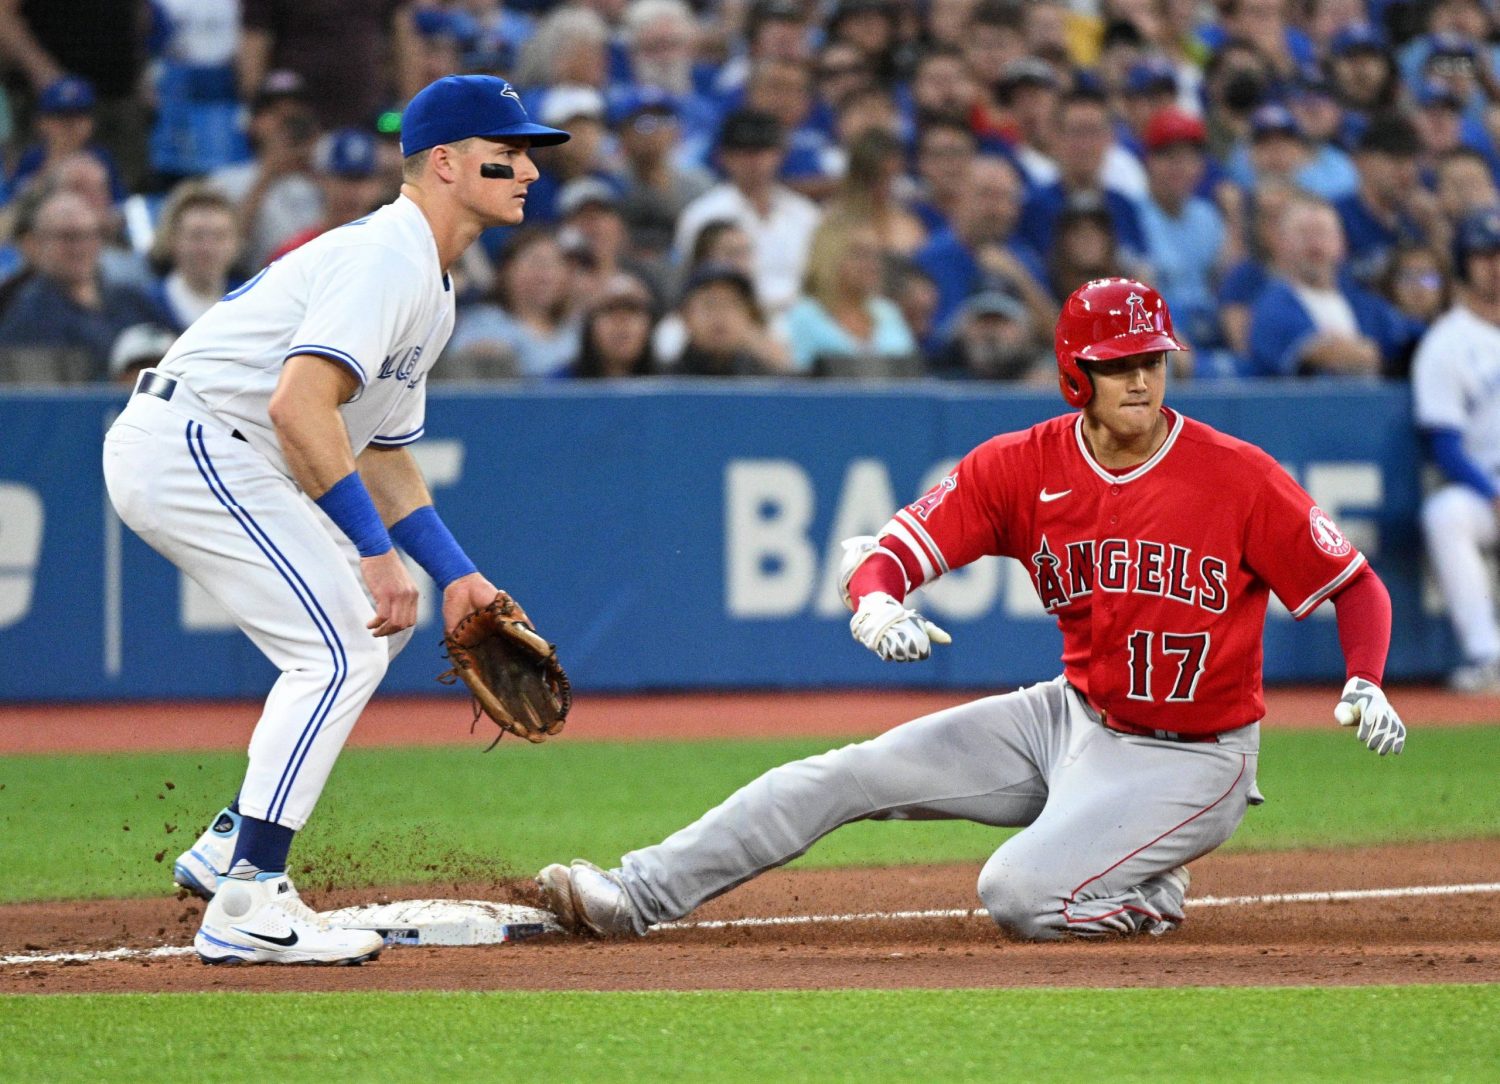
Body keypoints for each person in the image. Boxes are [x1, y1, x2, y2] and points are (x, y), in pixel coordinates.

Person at [536, 276, 1406, 942]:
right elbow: (889, 553)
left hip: (1195, 759)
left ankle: (1141, 892)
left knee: (1019, 897)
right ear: (1077, 373)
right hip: (1070, 718)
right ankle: (639, 894)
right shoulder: (1020, 467)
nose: (1141, 379)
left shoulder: (1236, 475)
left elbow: (1356, 585)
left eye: (1152, 360)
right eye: (1119, 365)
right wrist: (876, 606)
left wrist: (1367, 678)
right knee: (848, 774)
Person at [102, 74, 571, 965]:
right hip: (195, 437)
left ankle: (228, 846)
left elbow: (380, 449)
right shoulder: (388, 256)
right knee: (342, 644)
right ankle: (249, 900)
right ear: (445, 162)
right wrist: (372, 551)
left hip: (221, 443)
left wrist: (455, 571)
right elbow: (299, 408)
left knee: (367, 630)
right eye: (507, 156)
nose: (529, 174)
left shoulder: (430, 285)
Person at [1412, 206, 1500, 693]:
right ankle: (1490, 656)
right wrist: (1490, 493)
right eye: (1485, 254)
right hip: (1487, 487)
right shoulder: (1447, 342)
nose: (1495, 265)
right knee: (1447, 512)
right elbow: (1444, 443)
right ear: (1465, 264)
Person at [783, 214, 918, 376]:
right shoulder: (802, 316)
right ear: (830, 257)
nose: (873, 264)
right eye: (860, 254)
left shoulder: (888, 312)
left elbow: (911, 376)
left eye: (876, 255)